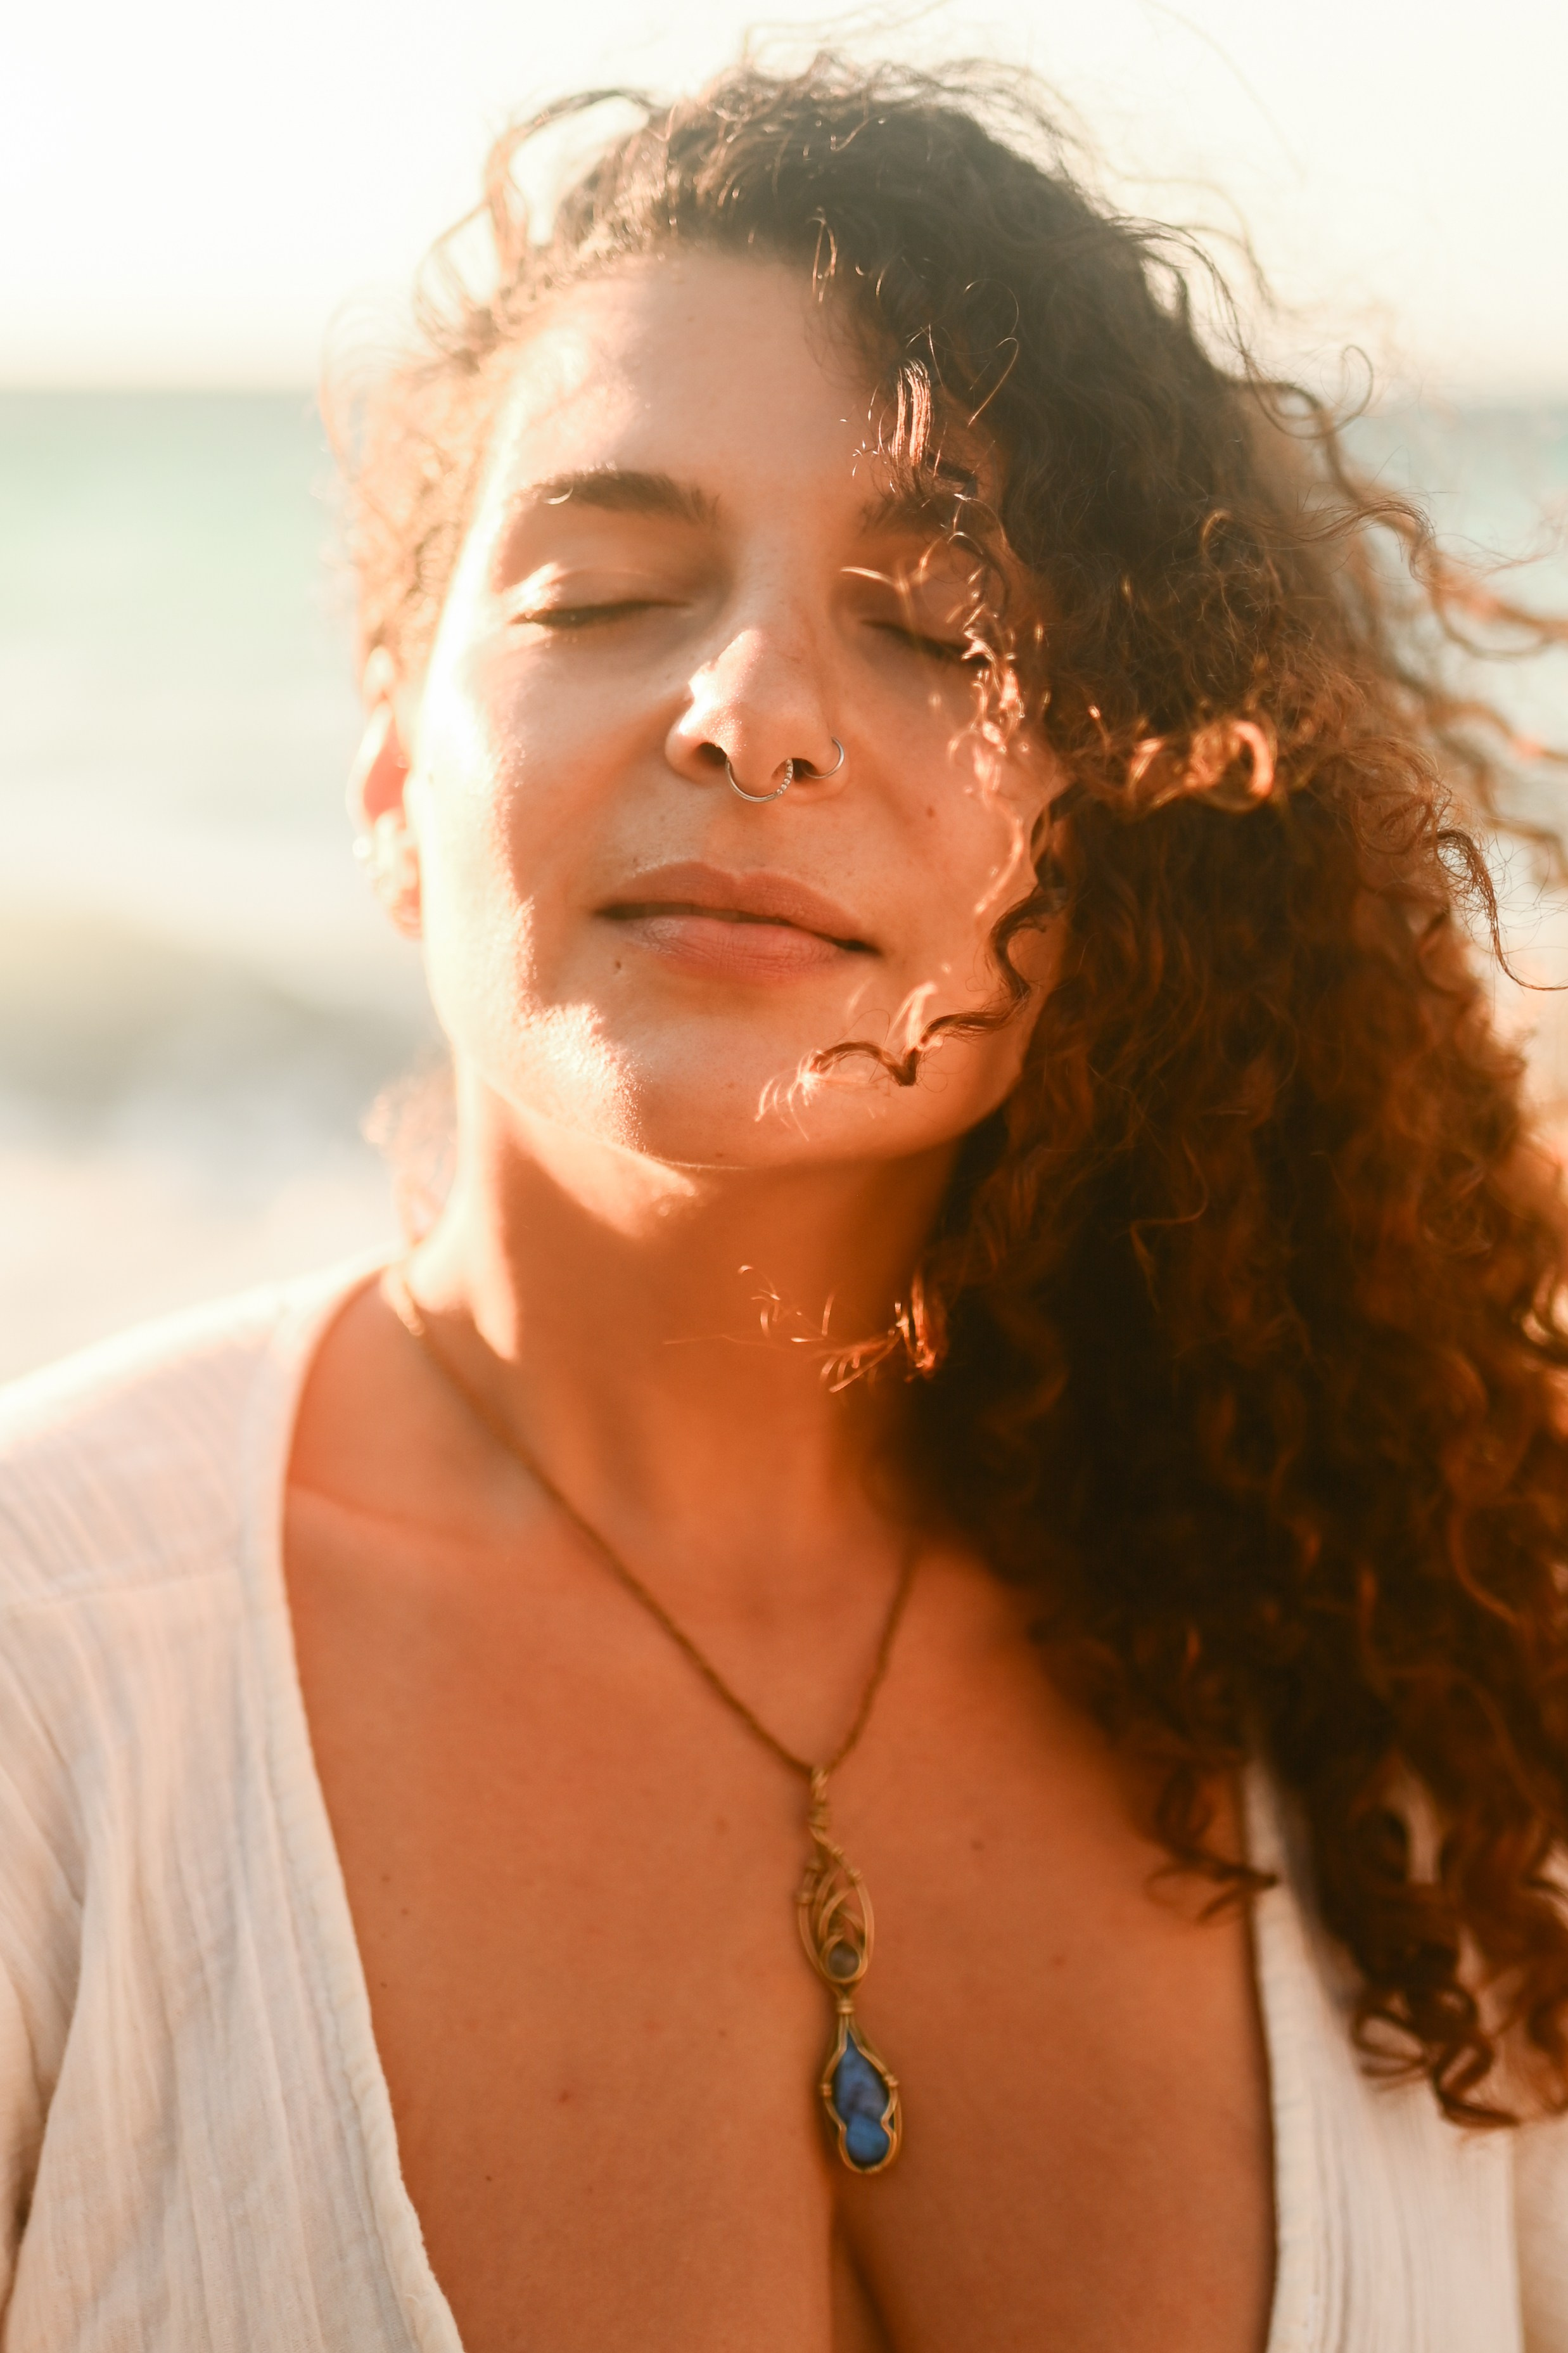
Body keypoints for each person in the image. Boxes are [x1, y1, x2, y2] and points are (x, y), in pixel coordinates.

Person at [1, 54, 1567, 2353]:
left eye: (937, 627)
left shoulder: (1419, 1694)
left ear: (1130, 818)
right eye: (608, 590)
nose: (748, 706)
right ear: (387, 768)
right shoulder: (57, 1682)